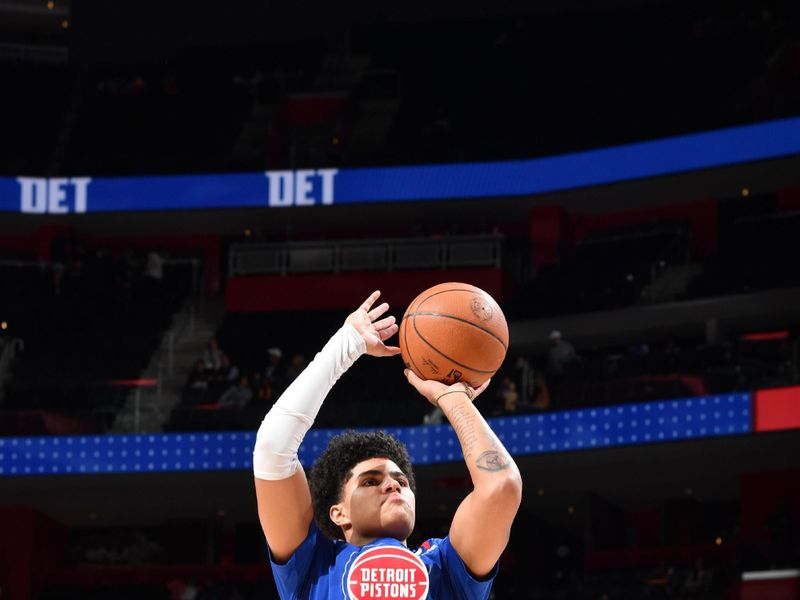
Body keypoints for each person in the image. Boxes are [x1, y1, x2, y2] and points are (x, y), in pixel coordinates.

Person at [252, 291, 522, 599]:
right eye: (370, 481)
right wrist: (346, 345)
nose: (394, 487)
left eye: (402, 481)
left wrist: (454, 398)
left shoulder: (445, 567)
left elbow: (501, 486)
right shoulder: (314, 566)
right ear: (339, 513)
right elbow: (273, 448)